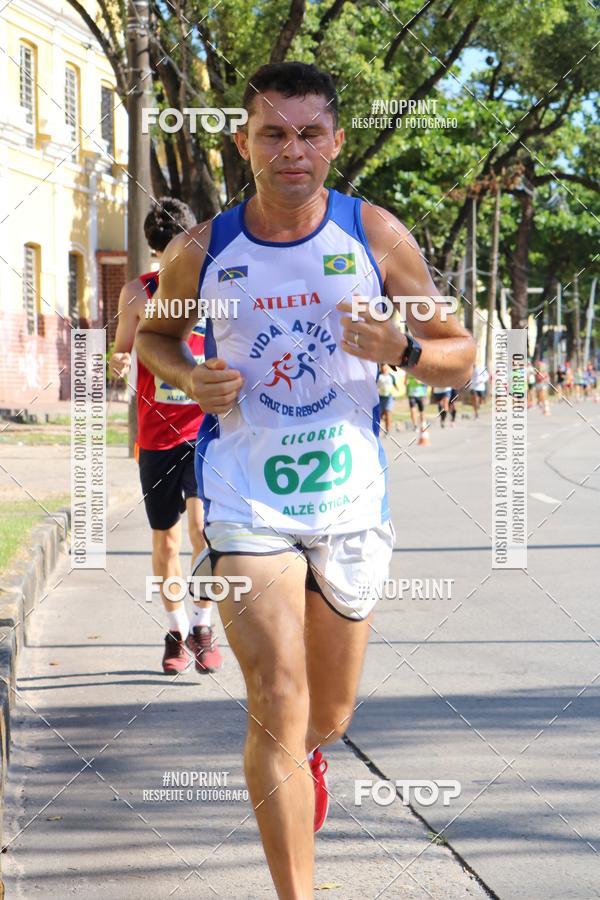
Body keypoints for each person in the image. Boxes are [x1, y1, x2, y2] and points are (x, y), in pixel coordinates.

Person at [136, 61, 475, 899]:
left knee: (326, 715)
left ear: (336, 142)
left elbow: (462, 357)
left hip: (351, 499)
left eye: (309, 132)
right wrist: (187, 376)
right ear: (244, 141)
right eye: (273, 133)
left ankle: (312, 757)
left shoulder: (376, 235)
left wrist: (401, 351)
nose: (292, 149)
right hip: (246, 498)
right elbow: (152, 337)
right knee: (278, 698)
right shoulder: (203, 249)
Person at [109, 198, 222, 675]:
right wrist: (118, 362)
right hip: (156, 436)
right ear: (160, 248)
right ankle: (176, 633)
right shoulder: (138, 294)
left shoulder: (212, 287)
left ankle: (203, 626)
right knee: (166, 544)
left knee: (203, 531)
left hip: (203, 432)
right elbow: (120, 351)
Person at [376, 363, 397, 434]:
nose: (383, 368)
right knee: (381, 415)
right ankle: (378, 428)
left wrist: (396, 391)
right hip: (380, 397)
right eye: (382, 366)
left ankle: (388, 430)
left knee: (388, 412)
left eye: (385, 366)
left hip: (389, 397)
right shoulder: (378, 376)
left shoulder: (391, 376)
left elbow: (395, 385)